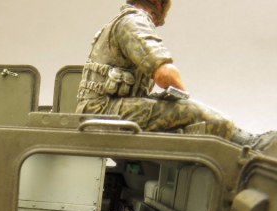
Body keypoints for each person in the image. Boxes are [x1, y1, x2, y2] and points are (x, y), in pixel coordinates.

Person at [76, 0, 276, 153]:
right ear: (157, 2)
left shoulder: (123, 21)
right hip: (104, 112)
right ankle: (253, 146)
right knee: (194, 112)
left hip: (102, 110)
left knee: (177, 112)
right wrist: (182, 101)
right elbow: (165, 74)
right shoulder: (134, 22)